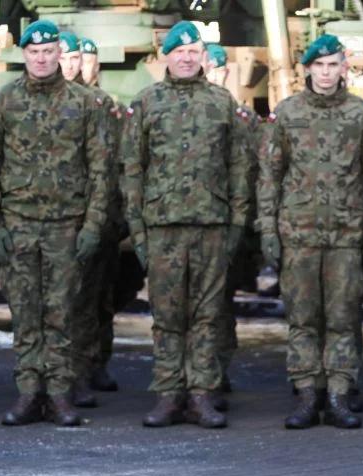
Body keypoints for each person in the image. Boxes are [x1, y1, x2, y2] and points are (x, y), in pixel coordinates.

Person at [0, 19, 111, 427]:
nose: (40, 58)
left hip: (65, 226)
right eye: (33, 52)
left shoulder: (85, 104)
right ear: (25, 55)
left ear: (58, 54)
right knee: (25, 313)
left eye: (48, 51)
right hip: (17, 225)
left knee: (61, 313)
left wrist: (93, 225)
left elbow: (101, 171)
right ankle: (28, 392)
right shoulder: (2, 103)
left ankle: (58, 394)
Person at [258, 33, 363, 430]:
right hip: (298, 233)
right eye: (320, 65)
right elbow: (270, 176)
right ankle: (306, 394)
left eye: (334, 65)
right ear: (308, 69)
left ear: (343, 68)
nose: (327, 72)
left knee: (343, 318)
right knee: (302, 319)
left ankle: (338, 394)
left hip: (346, 235)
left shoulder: (359, 115)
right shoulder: (288, 113)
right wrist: (267, 227)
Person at [121, 22, 249, 428]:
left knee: (207, 315)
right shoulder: (145, 103)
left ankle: (201, 394)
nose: (187, 57)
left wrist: (236, 224)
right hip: (162, 227)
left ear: (202, 56)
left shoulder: (222, 103)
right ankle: (168, 394)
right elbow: (132, 170)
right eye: (179, 51)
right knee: (167, 316)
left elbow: (240, 169)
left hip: (211, 224)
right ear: (166, 57)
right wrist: (138, 230)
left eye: (194, 51)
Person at [61, 33, 124, 406]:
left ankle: (88, 367)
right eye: (67, 58)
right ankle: (60, 375)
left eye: (81, 60)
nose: (74, 66)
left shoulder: (102, 104)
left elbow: (113, 163)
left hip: (95, 217)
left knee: (93, 300)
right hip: (56, 217)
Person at [205, 41, 262, 399]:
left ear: (223, 72)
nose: (209, 75)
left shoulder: (243, 119)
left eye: (214, 68)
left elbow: (257, 172)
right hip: (202, 222)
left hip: (231, 223)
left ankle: (217, 371)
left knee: (220, 304)